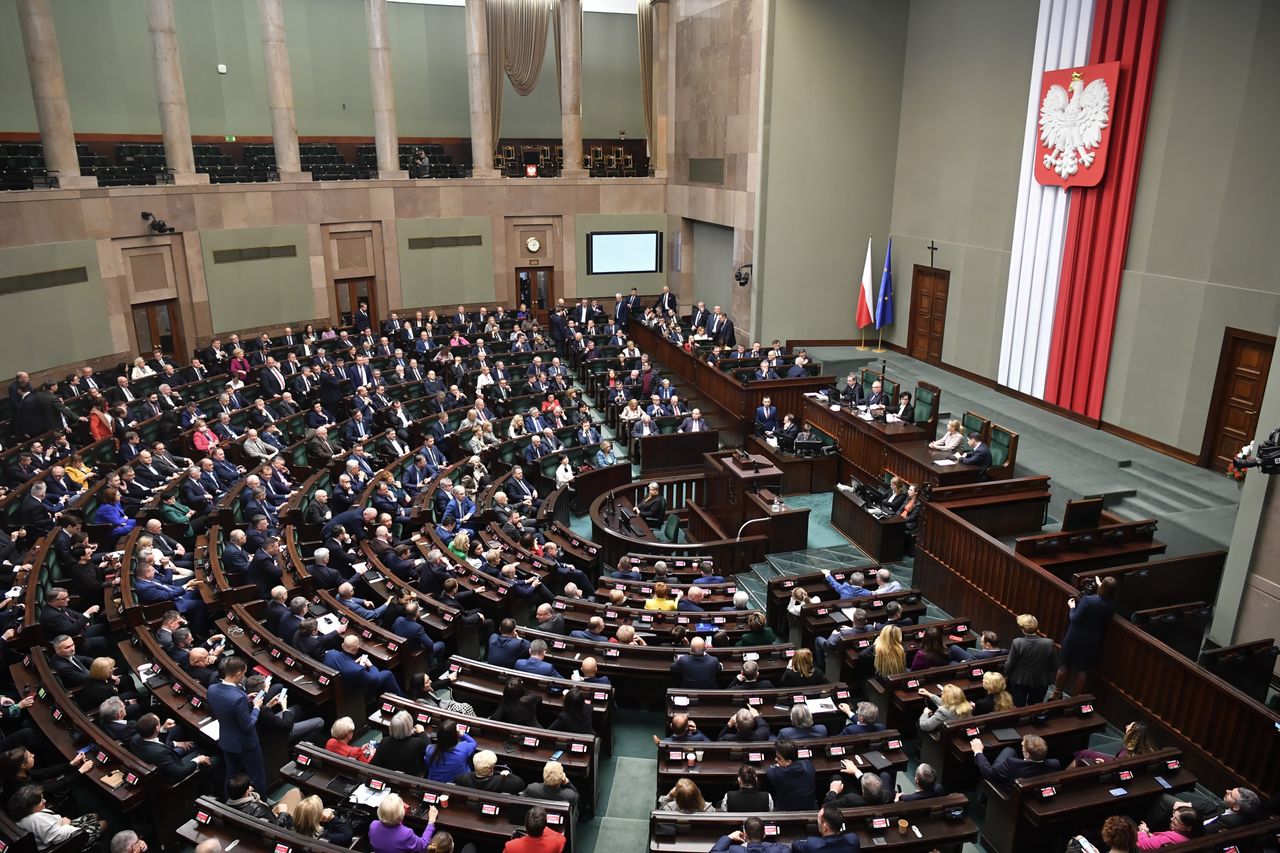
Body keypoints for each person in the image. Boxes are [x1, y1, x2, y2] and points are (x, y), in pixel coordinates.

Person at [207, 656, 267, 795]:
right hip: (246, 744)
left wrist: (246, 700)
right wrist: (256, 708)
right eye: (244, 673)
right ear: (238, 674)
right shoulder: (237, 698)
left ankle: (229, 803)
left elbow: (226, 706)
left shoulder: (212, 689)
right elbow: (248, 725)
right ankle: (262, 804)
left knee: (231, 775)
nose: (244, 676)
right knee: (257, 775)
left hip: (227, 741)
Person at [1053, 576, 1118, 698]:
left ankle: (1056, 693)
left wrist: (1072, 607)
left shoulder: (1088, 600)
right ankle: (1075, 698)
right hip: (1093, 640)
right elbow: (1104, 598)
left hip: (1075, 636)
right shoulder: (1111, 606)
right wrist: (1100, 585)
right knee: (1083, 670)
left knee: (1064, 664)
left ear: (1102, 587)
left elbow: (1075, 619)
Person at [11, 784, 105, 851]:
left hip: (59, 828)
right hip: (68, 841)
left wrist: (62, 823)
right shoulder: (36, 820)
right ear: (31, 806)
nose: (45, 800)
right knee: (104, 823)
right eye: (40, 801)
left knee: (94, 816)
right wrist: (65, 824)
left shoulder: (22, 812)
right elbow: (59, 837)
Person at [1005, 613, 1057, 706]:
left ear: (1022, 628)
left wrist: (1006, 675)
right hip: (1041, 681)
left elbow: (1010, 665)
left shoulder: (1017, 642)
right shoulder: (1049, 643)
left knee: (1018, 706)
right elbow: (1053, 666)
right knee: (1035, 707)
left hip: (1019, 680)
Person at [970, 733, 1060, 786]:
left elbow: (989, 774)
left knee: (1007, 752)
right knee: (1009, 750)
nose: (1021, 746)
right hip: (1028, 789)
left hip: (1007, 794)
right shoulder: (1055, 764)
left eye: (1022, 746)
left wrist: (978, 752)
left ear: (1028, 754)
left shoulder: (1012, 764)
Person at [368, 794, 438, 853]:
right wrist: (431, 821)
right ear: (401, 813)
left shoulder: (373, 825)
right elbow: (423, 844)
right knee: (435, 846)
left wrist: (395, 814)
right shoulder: (406, 834)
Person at [1074, 721, 1157, 766]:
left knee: (1084, 753)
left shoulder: (1125, 755)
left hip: (1114, 766)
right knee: (1087, 753)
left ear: (1132, 734)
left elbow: (1118, 767)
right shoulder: (1149, 749)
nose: (1126, 726)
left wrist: (1104, 764)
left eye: (1129, 727)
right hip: (1116, 762)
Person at [372, 710, 429, 776]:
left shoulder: (384, 741)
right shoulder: (418, 743)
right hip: (411, 779)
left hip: (390, 778)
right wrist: (422, 732)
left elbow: (374, 765)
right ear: (410, 726)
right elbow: (430, 747)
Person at [765, 738, 815, 811]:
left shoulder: (778, 775)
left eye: (779, 758)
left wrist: (778, 766)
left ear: (789, 761)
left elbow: (769, 770)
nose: (776, 759)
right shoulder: (809, 766)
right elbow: (803, 762)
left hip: (785, 812)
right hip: (810, 808)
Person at [791, 804, 859, 853]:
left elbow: (795, 845)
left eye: (818, 820)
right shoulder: (853, 840)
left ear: (825, 826)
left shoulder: (812, 844)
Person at [454, 749, 524, 793]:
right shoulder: (504, 781)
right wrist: (508, 775)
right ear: (491, 769)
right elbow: (521, 784)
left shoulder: (462, 778)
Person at [711, 816, 790, 853]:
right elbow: (787, 848)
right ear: (764, 835)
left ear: (745, 835)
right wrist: (764, 844)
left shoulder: (734, 850)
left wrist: (729, 837)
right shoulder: (777, 850)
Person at [1136, 807, 1204, 849]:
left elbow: (1143, 845)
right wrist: (1148, 833)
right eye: (1173, 816)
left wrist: (1142, 831)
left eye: (1176, 819)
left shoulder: (1169, 841)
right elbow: (1157, 841)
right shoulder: (1191, 838)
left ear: (1188, 828)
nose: (1171, 819)